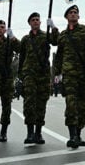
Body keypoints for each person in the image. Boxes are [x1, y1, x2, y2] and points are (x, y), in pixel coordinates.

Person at [53, 5, 85, 149]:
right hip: (69, 74)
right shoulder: (63, 35)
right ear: (66, 16)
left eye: (76, 12)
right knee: (71, 104)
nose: (73, 14)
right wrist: (56, 74)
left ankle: (78, 133)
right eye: (71, 12)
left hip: (84, 73)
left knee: (82, 106)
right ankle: (72, 136)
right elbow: (59, 56)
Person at [18, 12, 58, 145]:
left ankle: (38, 132)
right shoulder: (25, 39)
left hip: (43, 74)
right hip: (29, 74)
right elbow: (21, 58)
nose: (36, 22)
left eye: (37, 20)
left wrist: (53, 27)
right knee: (29, 103)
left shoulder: (46, 36)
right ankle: (30, 133)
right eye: (33, 20)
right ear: (29, 23)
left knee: (41, 103)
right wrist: (21, 75)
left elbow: (56, 41)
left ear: (40, 23)